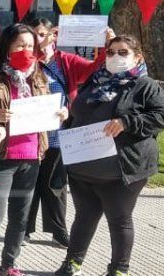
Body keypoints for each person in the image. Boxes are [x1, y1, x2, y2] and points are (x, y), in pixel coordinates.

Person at [55, 35, 164, 276]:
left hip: (122, 169)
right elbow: (77, 113)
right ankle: (72, 262)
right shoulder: (94, 82)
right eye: (110, 52)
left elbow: (163, 118)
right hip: (84, 166)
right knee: (84, 217)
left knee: (119, 219)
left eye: (123, 52)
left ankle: (120, 270)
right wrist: (66, 119)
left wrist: (127, 123)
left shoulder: (146, 86)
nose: (115, 57)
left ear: (137, 56)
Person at [0, 23, 66, 276]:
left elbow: (52, 104)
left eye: (30, 46)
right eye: (20, 45)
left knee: (21, 218)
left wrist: (61, 112)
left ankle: (8, 266)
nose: (26, 50)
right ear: (7, 46)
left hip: (32, 155)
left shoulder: (38, 75)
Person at [25, 18, 112, 247]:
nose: (37, 39)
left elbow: (94, 69)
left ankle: (58, 230)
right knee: (29, 183)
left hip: (58, 133)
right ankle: (23, 228)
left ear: (53, 36)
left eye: (42, 34)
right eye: (33, 35)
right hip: (30, 134)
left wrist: (106, 45)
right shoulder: (25, 59)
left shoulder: (65, 61)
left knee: (56, 184)